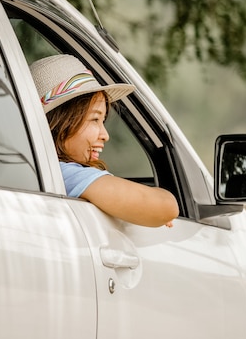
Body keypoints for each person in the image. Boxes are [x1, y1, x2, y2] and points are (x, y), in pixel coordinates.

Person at [30, 54, 179, 228]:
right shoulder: (65, 174)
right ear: (59, 123)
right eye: (94, 119)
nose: (105, 135)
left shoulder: (39, 171)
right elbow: (167, 206)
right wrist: (158, 210)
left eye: (103, 121)